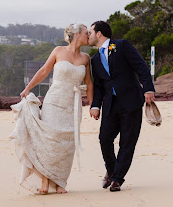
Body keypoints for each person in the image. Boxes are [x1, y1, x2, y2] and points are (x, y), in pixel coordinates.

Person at [10, 23, 93, 194]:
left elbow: (89, 83)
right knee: (49, 140)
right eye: (87, 33)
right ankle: (45, 181)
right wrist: (27, 89)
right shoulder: (58, 51)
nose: (89, 35)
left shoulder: (86, 58)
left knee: (67, 143)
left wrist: (93, 105)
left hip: (72, 104)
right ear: (77, 34)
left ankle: (61, 182)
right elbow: (43, 71)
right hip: (54, 100)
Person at [88, 21, 155, 192]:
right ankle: (111, 171)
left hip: (131, 101)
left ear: (99, 33)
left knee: (127, 142)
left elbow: (141, 66)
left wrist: (148, 88)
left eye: (90, 32)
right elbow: (99, 86)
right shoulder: (94, 60)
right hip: (110, 104)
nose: (88, 35)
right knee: (104, 139)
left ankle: (117, 179)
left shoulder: (121, 45)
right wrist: (95, 105)